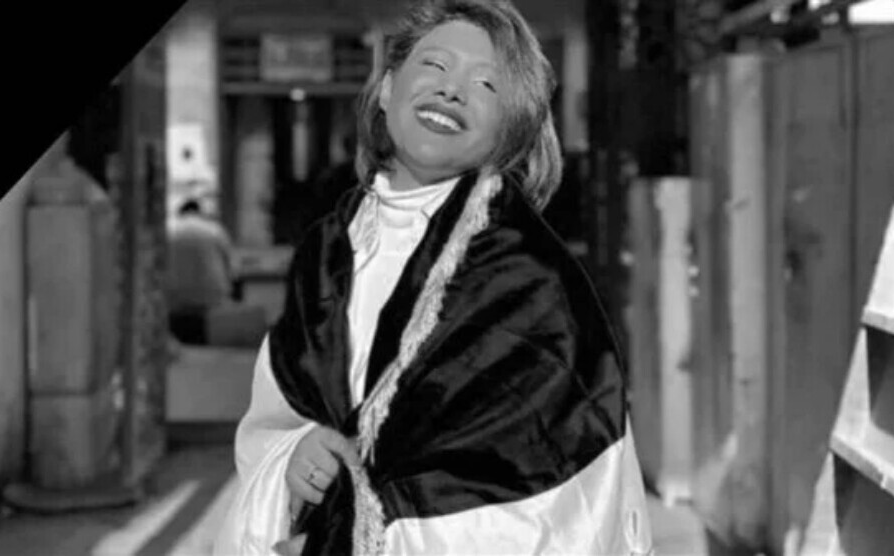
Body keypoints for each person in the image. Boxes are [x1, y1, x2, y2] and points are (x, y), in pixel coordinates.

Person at [213, 1, 653, 554]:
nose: (451, 90)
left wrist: (346, 542)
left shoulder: (530, 282)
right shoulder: (329, 251)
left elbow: (555, 511)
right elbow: (274, 420)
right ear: (386, 88)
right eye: (435, 65)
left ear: (510, 131)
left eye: (486, 85)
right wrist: (295, 457)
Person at [166, 197, 235, 344]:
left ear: (181, 213)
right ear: (199, 212)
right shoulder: (215, 229)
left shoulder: (170, 230)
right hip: (212, 294)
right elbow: (228, 262)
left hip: (175, 295)